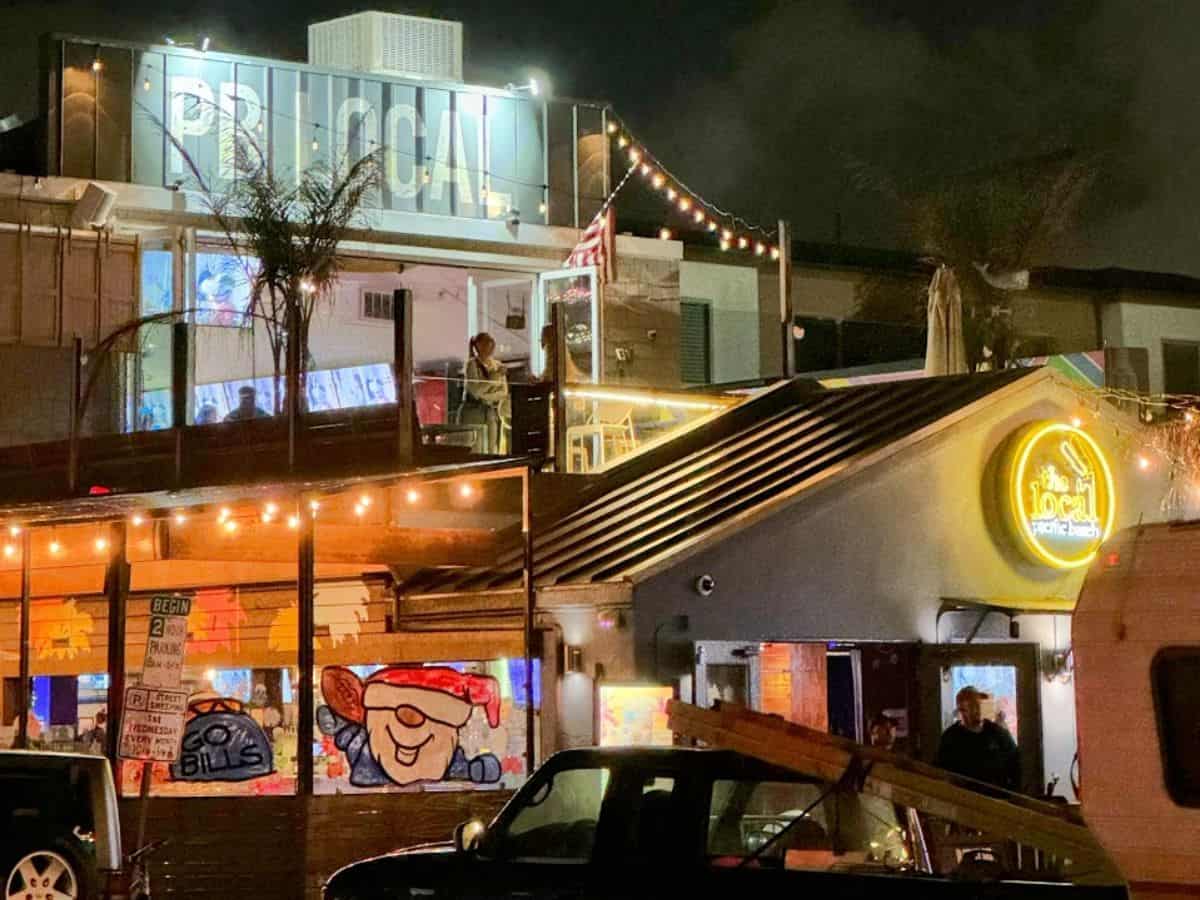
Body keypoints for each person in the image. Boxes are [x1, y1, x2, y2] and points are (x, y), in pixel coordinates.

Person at [935, 686, 1020, 791]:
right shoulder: (951, 738)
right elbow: (942, 772)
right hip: (964, 799)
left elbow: (1016, 764)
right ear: (961, 710)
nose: (976, 711)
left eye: (978, 706)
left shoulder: (997, 733)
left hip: (998, 798)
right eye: (969, 708)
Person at [460, 332, 509, 452]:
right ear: (478, 345)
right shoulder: (472, 365)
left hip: (490, 411)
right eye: (486, 343)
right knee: (476, 447)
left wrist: (487, 397)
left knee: (492, 447)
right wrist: (492, 380)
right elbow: (475, 391)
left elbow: (503, 391)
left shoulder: (497, 365)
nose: (490, 346)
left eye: (491, 342)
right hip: (473, 412)